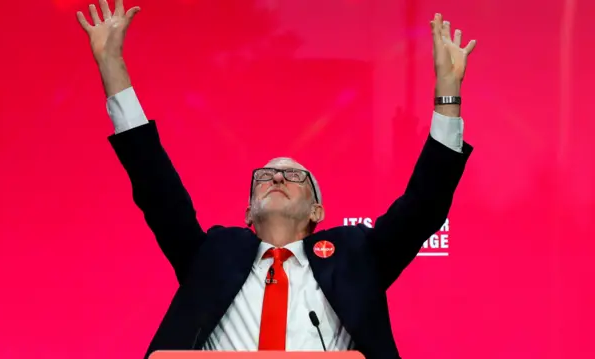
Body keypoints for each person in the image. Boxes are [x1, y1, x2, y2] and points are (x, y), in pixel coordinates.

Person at [77, 1, 476, 358]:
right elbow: (155, 185)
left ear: (317, 210)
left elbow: (425, 204)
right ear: (249, 211)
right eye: (265, 176)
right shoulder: (212, 255)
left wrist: (448, 93)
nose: (277, 177)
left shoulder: (358, 256)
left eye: (294, 175)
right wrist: (112, 67)